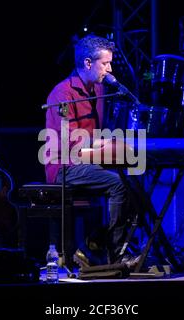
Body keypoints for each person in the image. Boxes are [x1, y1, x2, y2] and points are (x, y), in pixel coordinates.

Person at [44, 35, 139, 267]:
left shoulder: (97, 90)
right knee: (117, 184)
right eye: (105, 63)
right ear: (88, 63)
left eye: (110, 63)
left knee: (134, 183)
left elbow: (98, 136)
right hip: (64, 166)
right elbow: (72, 144)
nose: (110, 69)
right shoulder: (62, 94)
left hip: (88, 161)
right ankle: (116, 254)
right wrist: (108, 145)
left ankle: (96, 241)